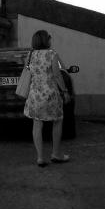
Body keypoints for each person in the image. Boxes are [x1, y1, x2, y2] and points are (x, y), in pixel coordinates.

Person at [24, 29, 71, 167]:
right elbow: (57, 75)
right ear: (46, 40)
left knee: (37, 124)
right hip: (50, 94)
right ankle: (56, 154)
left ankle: (40, 157)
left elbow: (28, 72)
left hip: (34, 95)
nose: (50, 40)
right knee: (57, 120)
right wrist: (65, 91)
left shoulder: (30, 55)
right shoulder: (52, 54)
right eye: (49, 38)